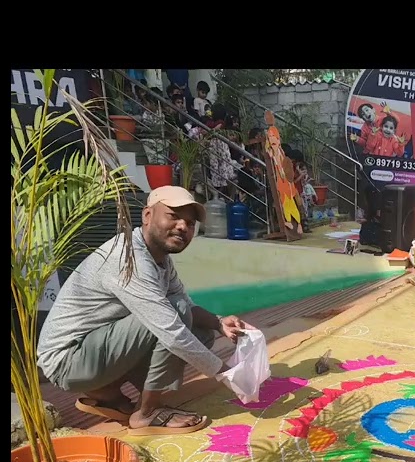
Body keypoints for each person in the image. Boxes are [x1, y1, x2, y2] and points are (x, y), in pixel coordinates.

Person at [37, 186, 257, 435]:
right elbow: (171, 329)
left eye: (190, 222)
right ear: (147, 216)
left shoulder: (160, 258)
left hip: (92, 351)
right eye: (173, 216)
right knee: (176, 316)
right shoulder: (129, 259)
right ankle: (148, 413)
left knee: (201, 331)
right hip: (69, 360)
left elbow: (185, 303)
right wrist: (225, 372)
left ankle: (107, 394)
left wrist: (218, 323)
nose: (183, 227)